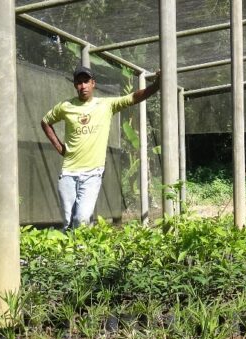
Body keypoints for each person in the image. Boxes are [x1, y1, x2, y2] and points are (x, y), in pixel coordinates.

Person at [41, 65, 161, 230]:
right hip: (68, 172)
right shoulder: (65, 106)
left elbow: (133, 97)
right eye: (79, 82)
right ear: (75, 85)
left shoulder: (106, 105)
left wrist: (156, 85)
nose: (83, 86)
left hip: (92, 173)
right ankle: (71, 253)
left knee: (81, 219)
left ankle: (82, 252)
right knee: (69, 222)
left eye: (86, 81)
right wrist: (60, 147)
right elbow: (45, 122)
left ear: (93, 84)